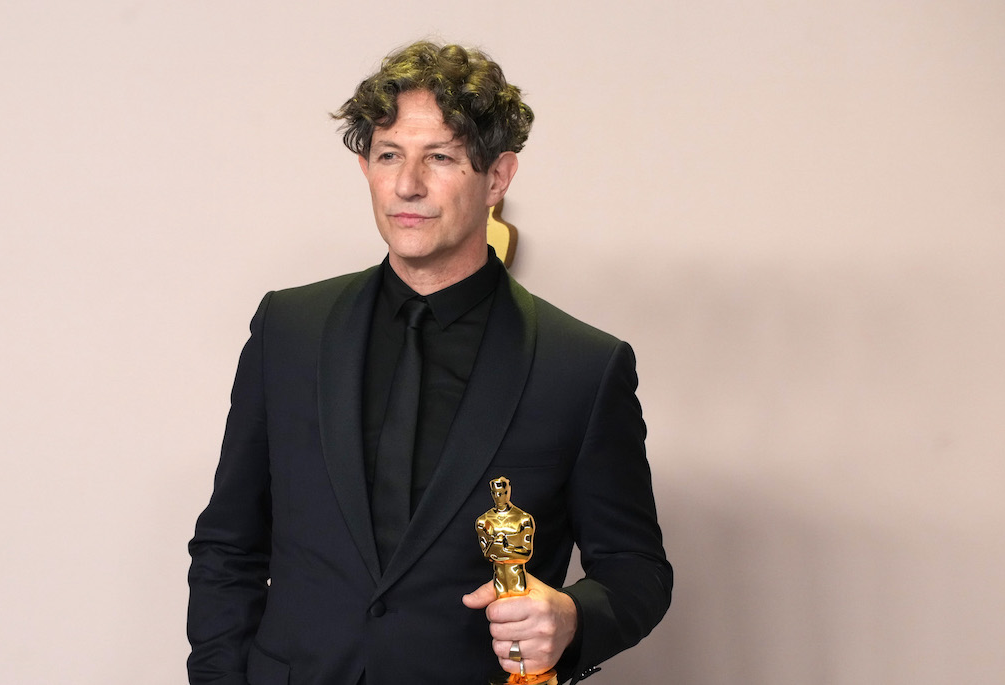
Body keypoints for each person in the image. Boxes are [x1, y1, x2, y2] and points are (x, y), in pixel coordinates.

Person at [187, 41, 672, 685]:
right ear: (366, 166)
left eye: (439, 157)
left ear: (498, 177)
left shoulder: (583, 365)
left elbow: (637, 568)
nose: (407, 185)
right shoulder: (287, 329)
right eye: (389, 155)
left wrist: (573, 617)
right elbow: (229, 544)